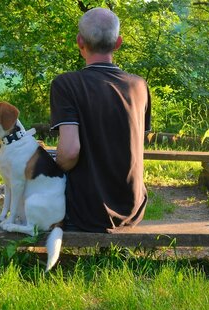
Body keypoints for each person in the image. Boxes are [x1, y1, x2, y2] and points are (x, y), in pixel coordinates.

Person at [50, 7, 151, 233]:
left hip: (86, 212)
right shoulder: (139, 86)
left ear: (79, 42)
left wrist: (49, 168)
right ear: (118, 43)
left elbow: (69, 153)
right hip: (132, 210)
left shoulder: (66, 84)